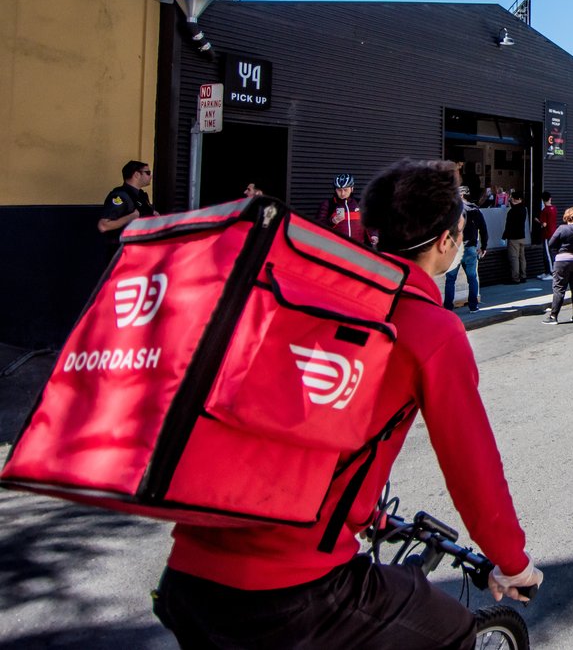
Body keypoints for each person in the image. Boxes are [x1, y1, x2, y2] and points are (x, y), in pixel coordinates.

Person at [153, 158, 542, 648]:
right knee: (453, 632)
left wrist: (368, 514)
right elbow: (472, 465)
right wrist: (513, 561)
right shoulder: (431, 327)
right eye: (460, 229)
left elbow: (297, 421)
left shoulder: (315, 294)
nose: (460, 238)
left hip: (190, 570)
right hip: (293, 587)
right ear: (445, 241)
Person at [443, 185, 488, 313]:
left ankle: (448, 308)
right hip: (470, 249)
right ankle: (473, 306)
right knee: (472, 278)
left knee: (450, 279)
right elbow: (484, 230)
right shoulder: (475, 210)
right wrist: (484, 247)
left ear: (461, 195)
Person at [543, 207, 573, 324]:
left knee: (559, 288)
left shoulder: (562, 229)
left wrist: (561, 248)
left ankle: (553, 316)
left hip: (563, 261)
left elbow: (551, 244)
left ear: (566, 217)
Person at [98, 160, 157, 255]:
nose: (150, 176)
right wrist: (131, 217)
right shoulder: (121, 196)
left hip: (140, 248)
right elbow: (103, 226)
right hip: (123, 251)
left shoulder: (140, 195)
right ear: (137, 174)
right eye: (148, 173)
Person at [317, 175, 377, 248]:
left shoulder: (359, 204)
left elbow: (369, 223)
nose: (342, 193)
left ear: (352, 189)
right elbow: (318, 226)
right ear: (335, 190)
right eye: (339, 190)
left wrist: (374, 235)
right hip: (336, 247)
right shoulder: (329, 204)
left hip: (358, 247)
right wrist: (332, 221)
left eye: (345, 190)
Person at [502, 191, 528, 283]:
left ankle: (515, 278)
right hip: (522, 236)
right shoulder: (523, 209)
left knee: (514, 258)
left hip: (513, 238)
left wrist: (504, 236)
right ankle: (523, 275)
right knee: (522, 257)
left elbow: (508, 225)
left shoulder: (512, 212)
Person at [536, 191, 558, 281]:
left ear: (542, 200)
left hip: (546, 234)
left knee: (547, 254)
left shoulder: (545, 210)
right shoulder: (554, 208)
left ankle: (550, 272)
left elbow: (544, 224)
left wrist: (537, 220)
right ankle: (547, 272)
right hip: (553, 233)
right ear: (550, 198)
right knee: (549, 253)